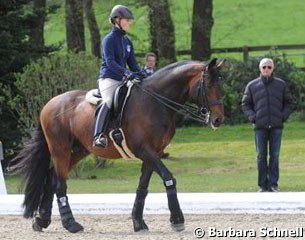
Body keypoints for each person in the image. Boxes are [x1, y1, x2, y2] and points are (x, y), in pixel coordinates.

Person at [93, 5, 148, 148]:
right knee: (108, 100)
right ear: (116, 20)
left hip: (123, 79)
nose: (129, 23)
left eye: (129, 20)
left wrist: (142, 74)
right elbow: (110, 62)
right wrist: (126, 73)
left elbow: (133, 63)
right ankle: (98, 136)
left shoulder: (127, 41)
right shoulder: (108, 39)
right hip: (109, 78)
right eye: (126, 20)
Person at [242, 58, 296, 192]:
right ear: (260, 69)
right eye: (264, 67)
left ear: (273, 69)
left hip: (276, 127)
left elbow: (291, 103)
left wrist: (282, 116)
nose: (266, 69)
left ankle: (273, 184)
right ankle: (262, 185)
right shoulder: (252, 85)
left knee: (275, 155)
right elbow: (245, 104)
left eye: (269, 67)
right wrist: (253, 117)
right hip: (259, 127)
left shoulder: (281, 85)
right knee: (261, 156)